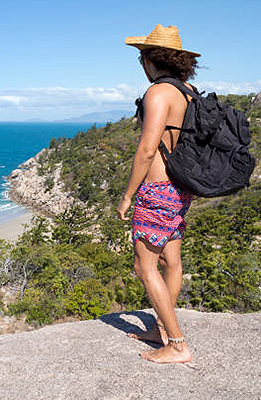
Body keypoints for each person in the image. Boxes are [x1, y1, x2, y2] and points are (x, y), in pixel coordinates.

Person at [116, 24, 200, 363]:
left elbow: (147, 149)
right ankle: (161, 329)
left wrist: (127, 196)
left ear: (151, 59)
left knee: (144, 265)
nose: (141, 64)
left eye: (141, 58)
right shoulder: (188, 91)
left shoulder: (158, 93)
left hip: (156, 190)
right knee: (171, 260)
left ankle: (177, 344)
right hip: (180, 189)